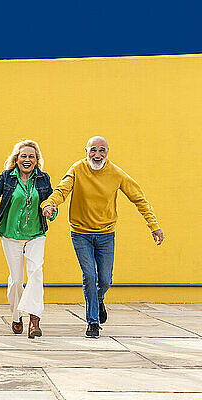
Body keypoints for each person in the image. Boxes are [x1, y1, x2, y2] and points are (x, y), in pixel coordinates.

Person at [41, 136, 164, 338]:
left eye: (102, 150)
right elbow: (61, 191)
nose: (97, 155)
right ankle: (93, 322)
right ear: (86, 151)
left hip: (106, 233)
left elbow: (139, 199)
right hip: (81, 233)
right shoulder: (77, 169)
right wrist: (49, 204)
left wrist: (154, 226)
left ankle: (97, 300)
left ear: (107, 152)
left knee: (105, 280)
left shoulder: (116, 173)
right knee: (90, 275)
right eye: (93, 150)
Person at [0, 140, 56, 338]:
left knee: (36, 273)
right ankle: (16, 315)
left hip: (36, 234)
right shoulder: (8, 177)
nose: (27, 159)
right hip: (10, 235)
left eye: (31, 156)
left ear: (37, 160)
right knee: (17, 280)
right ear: (16, 159)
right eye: (23, 156)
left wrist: (50, 211)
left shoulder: (44, 179)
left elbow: (51, 202)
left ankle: (34, 320)